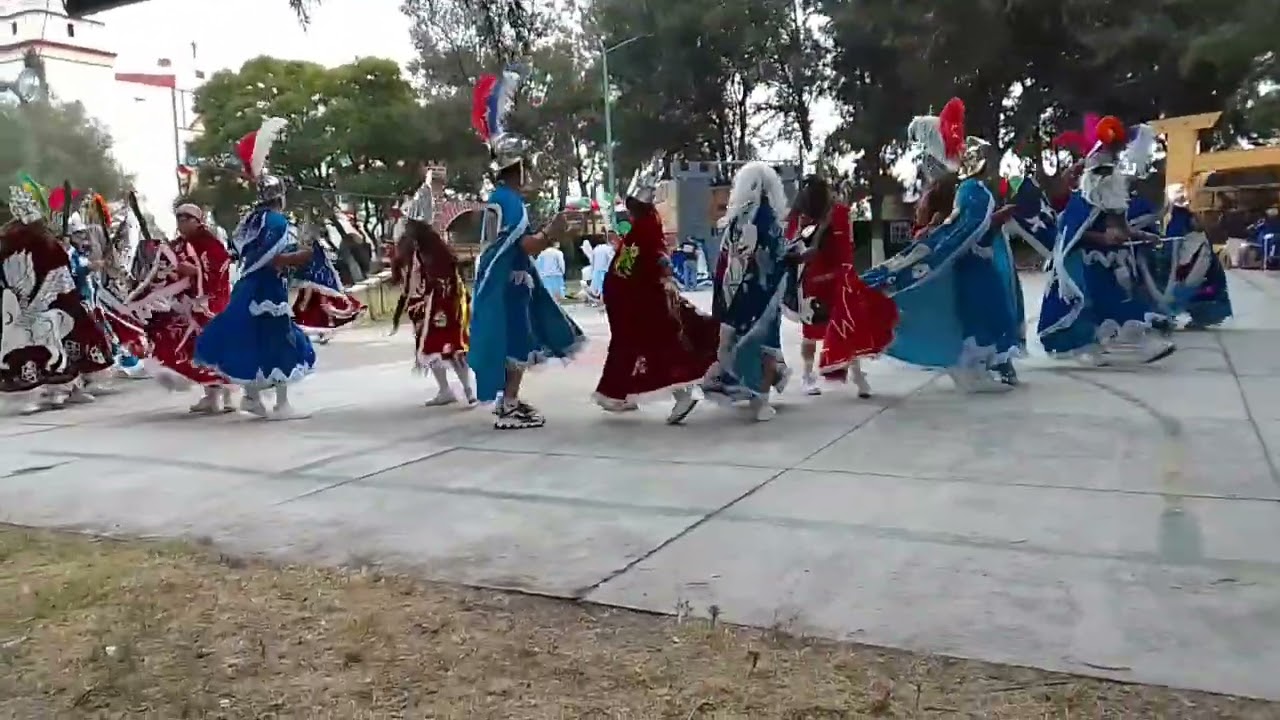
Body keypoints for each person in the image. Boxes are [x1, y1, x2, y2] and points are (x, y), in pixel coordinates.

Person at [861, 97, 1024, 392]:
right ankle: (973, 368)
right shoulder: (947, 192)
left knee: (990, 309)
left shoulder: (968, 189)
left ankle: (992, 364)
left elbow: (967, 225)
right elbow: (930, 229)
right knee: (972, 313)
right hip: (958, 261)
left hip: (976, 254)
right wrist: (935, 229)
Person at [468, 65, 585, 429]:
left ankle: (510, 401)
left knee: (515, 343)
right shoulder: (511, 203)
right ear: (517, 169)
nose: (530, 175)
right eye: (527, 168)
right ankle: (509, 406)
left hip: (509, 286)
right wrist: (553, 231)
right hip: (510, 288)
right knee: (516, 344)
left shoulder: (500, 199)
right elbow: (529, 246)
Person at [194, 117, 317, 419]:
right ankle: (281, 404)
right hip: (267, 288)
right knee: (281, 341)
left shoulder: (251, 220)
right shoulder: (277, 222)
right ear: (280, 196)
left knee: (251, 339)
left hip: (249, 287)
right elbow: (277, 259)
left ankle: (251, 396)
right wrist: (305, 255)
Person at [1037, 116, 1175, 365]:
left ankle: (1119, 346)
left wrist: (1142, 235)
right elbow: (1076, 229)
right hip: (1089, 260)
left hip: (1109, 260)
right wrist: (1103, 237)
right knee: (1104, 304)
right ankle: (1125, 346)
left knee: (1114, 302)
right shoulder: (1095, 189)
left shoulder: (1109, 186)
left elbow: (1119, 224)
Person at [592, 153, 719, 423]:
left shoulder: (646, 229)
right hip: (632, 300)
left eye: (631, 206)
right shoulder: (643, 228)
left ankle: (683, 394)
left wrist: (665, 280)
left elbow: (657, 259)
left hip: (644, 303)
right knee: (632, 348)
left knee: (662, 349)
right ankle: (616, 394)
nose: (628, 211)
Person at [1, 179, 115, 414]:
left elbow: (62, 272)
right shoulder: (11, 245)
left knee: (73, 340)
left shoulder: (46, 243)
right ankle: (34, 393)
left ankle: (69, 388)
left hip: (60, 300)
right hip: (26, 305)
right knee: (31, 347)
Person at [785, 175, 897, 397]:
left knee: (847, 328)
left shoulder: (837, 213)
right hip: (814, 283)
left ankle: (856, 375)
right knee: (812, 331)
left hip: (838, 281)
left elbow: (846, 249)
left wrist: (847, 276)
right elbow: (793, 248)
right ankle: (809, 376)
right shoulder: (800, 218)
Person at [117, 204, 234, 412]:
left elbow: (218, 271)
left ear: (197, 221)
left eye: (186, 218)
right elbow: (167, 269)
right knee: (187, 349)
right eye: (178, 217)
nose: (181, 222)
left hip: (208, 306)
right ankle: (212, 396)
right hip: (186, 307)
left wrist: (195, 272)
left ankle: (226, 397)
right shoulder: (178, 245)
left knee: (213, 351)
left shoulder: (210, 244)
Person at [701, 161, 793, 421]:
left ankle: (746, 388)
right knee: (766, 345)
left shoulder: (736, 219)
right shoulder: (768, 219)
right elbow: (776, 258)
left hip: (733, 294)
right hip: (762, 295)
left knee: (738, 343)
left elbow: (723, 263)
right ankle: (761, 402)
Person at [391, 174, 477, 407]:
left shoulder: (428, 247)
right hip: (430, 306)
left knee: (443, 347)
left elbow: (445, 276)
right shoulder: (418, 246)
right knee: (439, 348)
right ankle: (453, 390)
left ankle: (461, 390)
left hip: (436, 307)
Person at [290, 219, 366, 334]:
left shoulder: (311, 253)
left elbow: (309, 280)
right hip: (319, 287)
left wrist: (304, 301)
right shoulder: (316, 251)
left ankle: (325, 325)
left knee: (319, 300)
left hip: (317, 290)